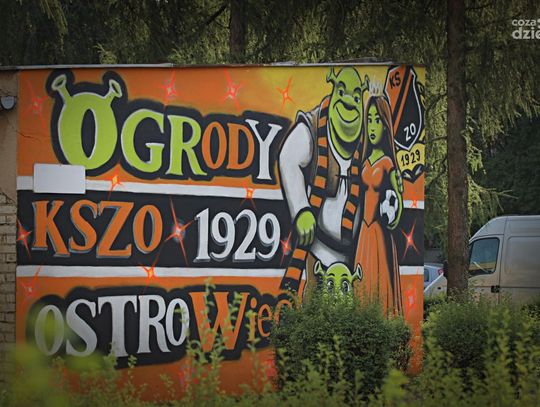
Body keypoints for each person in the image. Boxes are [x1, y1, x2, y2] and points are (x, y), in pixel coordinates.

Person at [354, 94, 403, 314]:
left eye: (377, 120)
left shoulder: (387, 163)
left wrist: (394, 217)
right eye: (369, 119)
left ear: (385, 126)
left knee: (379, 283)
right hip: (363, 233)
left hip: (379, 233)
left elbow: (398, 199)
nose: (372, 126)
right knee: (363, 283)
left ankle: (382, 321)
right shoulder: (364, 161)